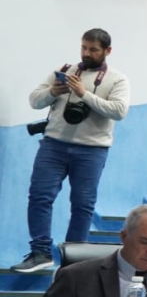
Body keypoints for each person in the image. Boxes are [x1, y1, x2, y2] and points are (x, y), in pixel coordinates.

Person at [13, 29, 130, 273]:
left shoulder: (118, 79)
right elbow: (34, 100)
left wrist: (83, 94)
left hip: (92, 150)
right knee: (39, 197)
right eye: (84, 47)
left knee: (82, 204)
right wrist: (52, 92)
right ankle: (40, 252)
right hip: (53, 145)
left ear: (107, 51)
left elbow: (119, 111)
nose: (87, 53)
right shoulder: (65, 71)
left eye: (93, 49)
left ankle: (73, 260)